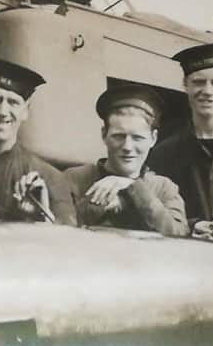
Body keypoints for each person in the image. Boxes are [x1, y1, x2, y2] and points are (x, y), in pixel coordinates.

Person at [147, 42, 213, 244]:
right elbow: (158, 212)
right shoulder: (164, 154)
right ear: (185, 84)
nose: (207, 91)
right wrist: (193, 225)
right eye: (198, 82)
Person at [63, 85, 189, 236]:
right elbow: (57, 228)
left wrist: (134, 188)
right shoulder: (73, 179)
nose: (128, 147)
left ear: (153, 139)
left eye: (137, 138)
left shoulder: (164, 188)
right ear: (104, 135)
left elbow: (179, 235)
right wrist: (100, 203)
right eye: (119, 136)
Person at [0, 59, 76, 224]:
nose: (3, 111)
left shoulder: (50, 178)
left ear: (25, 111)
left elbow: (69, 237)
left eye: (13, 102)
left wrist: (40, 217)